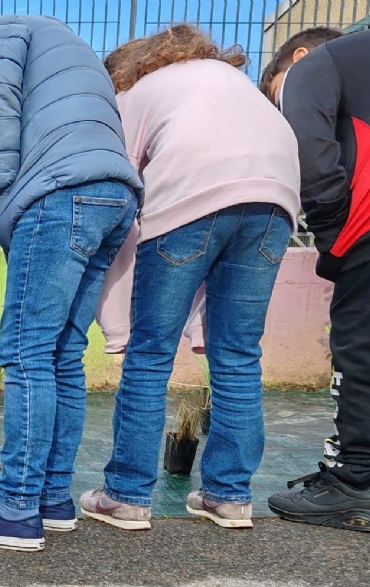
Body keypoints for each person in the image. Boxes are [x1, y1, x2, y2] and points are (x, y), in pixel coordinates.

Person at [76, 25, 301, 532]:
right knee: (239, 354)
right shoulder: (231, 80)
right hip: (277, 197)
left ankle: (127, 495)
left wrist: (114, 317)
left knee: (150, 354)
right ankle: (229, 495)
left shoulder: (138, 90)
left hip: (190, 196)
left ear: (128, 68)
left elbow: (121, 182)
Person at [0, 16, 141, 551]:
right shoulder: (76, 47)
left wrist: (7, 212)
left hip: (58, 196)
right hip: (116, 197)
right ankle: (51, 500)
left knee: (26, 353)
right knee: (63, 354)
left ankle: (16, 510)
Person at [261, 27, 370, 531]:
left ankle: (355, 483)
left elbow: (312, 150)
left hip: (365, 228)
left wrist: (333, 234)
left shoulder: (315, 66)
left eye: (273, 95)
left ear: (297, 57)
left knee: (359, 346)